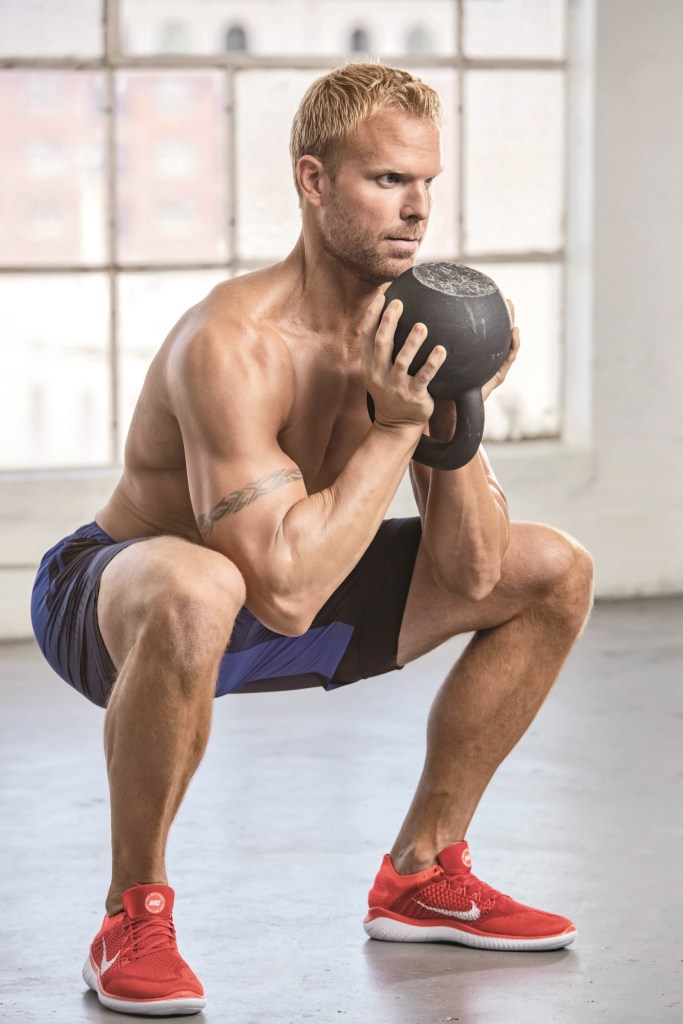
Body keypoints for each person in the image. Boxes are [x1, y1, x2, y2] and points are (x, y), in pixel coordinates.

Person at [31, 63, 593, 1017]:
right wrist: (394, 427)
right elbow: (283, 595)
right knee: (200, 586)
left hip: (287, 590)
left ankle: (420, 874)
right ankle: (131, 914)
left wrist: (450, 413)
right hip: (125, 610)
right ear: (313, 180)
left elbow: (472, 574)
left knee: (551, 570)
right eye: (387, 180)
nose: (416, 209)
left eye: (427, 182)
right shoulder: (232, 342)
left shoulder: (412, 328)